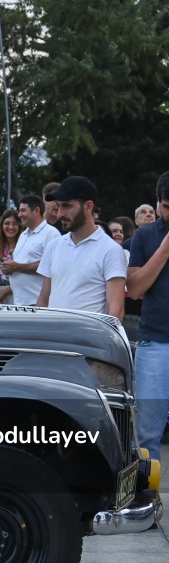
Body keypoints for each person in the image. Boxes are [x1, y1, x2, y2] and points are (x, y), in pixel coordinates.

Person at [36, 176, 127, 319]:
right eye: (59, 206)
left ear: (88, 206)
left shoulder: (111, 250)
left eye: (67, 206)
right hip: (53, 332)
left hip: (90, 333)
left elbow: (116, 311)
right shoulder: (53, 246)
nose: (60, 214)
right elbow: (43, 300)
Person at [127, 172, 169, 461]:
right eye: (167, 207)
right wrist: (165, 249)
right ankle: (149, 487)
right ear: (158, 202)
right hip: (155, 342)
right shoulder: (144, 235)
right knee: (147, 432)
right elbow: (134, 289)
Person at [2, 195, 58, 307]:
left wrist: (18, 267)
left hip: (38, 304)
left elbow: (52, 266)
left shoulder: (51, 234)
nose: (19, 215)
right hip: (20, 303)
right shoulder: (23, 234)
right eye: (19, 210)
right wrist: (10, 268)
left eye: (23, 210)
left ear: (36, 211)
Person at [0, 210, 20, 304]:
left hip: (19, 293)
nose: (11, 227)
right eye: (7, 223)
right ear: (1, 226)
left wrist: (4, 292)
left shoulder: (23, 247)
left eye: (15, 223)